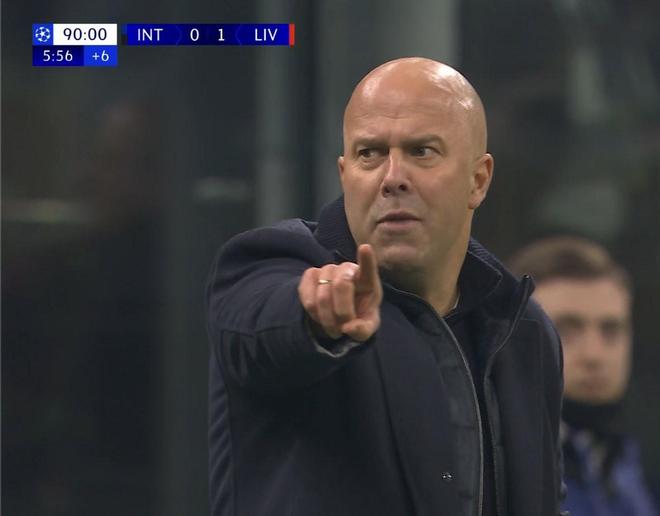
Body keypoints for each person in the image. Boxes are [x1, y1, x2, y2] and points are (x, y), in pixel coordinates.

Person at [207, 57, 567, 516]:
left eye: (422, 151)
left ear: (478, 180)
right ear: (345, 175)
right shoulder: (270, 265)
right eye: (369, 153)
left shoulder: (523, 330)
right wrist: (316, 319)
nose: (392, 177)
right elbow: (262, 325)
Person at [509, 237, 658, 516]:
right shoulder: (492, 467)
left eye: (610, 330)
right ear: (512, 338)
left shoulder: (626, 464)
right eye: (566, 330)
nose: (594, 355)